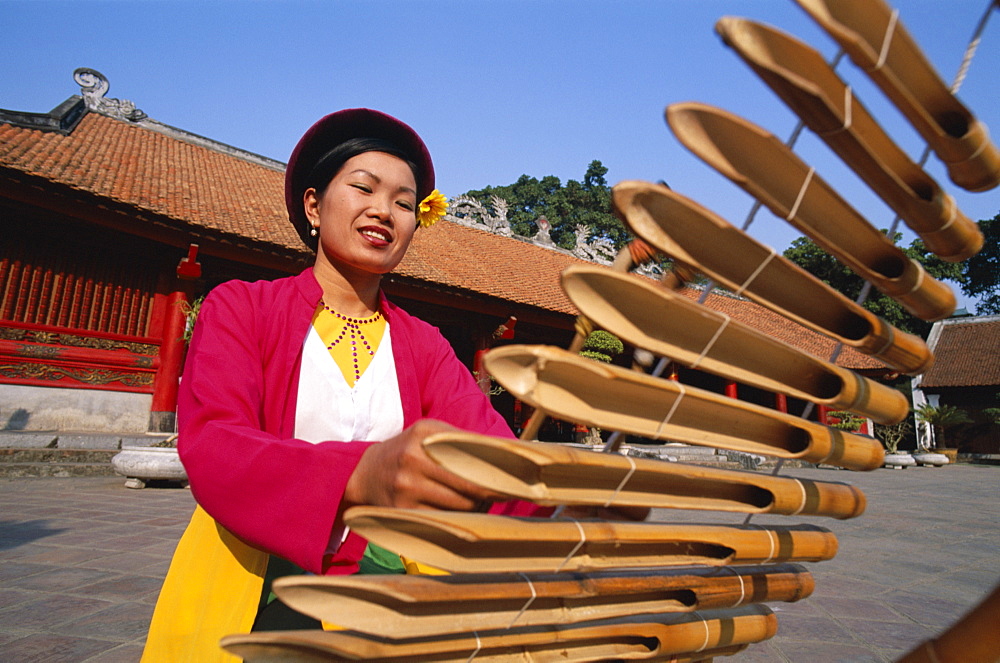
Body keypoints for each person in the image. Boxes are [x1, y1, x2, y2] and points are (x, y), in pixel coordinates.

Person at [141, 109, 544, 661]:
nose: (385, 210)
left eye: (405, 203)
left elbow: (489, 456)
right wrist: (360, 473)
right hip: (254, 584)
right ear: (314, 205)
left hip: (385, 597)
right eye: (364, 189)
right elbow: (215, 447)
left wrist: (564, 508)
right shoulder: (243, 308)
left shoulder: (425, 345)